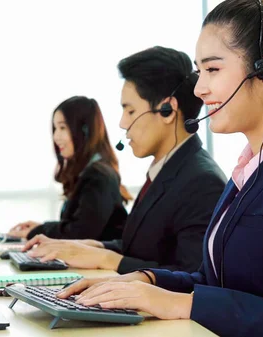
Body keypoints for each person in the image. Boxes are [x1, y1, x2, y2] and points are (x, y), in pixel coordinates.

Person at [54, 1, 263, 336]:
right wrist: (145, 280)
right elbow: (212, 281)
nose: (198, 88)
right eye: (199, 71)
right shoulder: (252, 168)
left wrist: (182, 304)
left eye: (212, 70)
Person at [23, 46, 227, 274]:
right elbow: (141, 249)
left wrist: (107, 258)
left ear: (168, 110)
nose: (122, 123)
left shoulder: (202, 182)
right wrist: (89, 247)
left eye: (130, 111)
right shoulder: (167, 169)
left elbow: (191, 277)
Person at [7, 96, 131, 241]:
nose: (56, 136)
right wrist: (40, 228)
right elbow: (79, 225)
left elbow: (79, 234)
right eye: (55, 128)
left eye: (63, 128)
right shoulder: (90, 172)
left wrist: (38, 231)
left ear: (85, 131)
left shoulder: (99, 175)